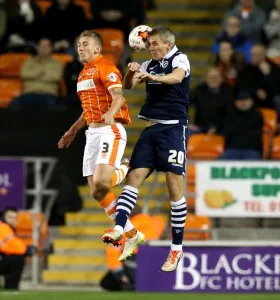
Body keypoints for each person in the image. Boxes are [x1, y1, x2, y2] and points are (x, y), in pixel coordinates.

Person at [102, 26, 190, 272]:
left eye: (154, 44)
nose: (150, 48)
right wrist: (132, 72)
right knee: (132, 179)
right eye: (148, 44)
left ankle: (176, 249)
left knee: (174, 189)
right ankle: (122, 229)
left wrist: (153, 77)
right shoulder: (149, 65)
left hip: (173, 129)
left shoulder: (179, 58)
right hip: (151, 129)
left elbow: (177, 78)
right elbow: (129, 86)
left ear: (167, 44)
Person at [58, 30, 140, 242]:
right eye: (78, 45)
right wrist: (73, 130)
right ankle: (132, 234)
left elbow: (119, 97)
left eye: (85, 44)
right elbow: (88, 110)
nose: (80, 48)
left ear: (98, 48)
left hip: (109, 130)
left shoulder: (106, 67)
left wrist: (111, 114)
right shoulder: (83, 74)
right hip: (91, 134)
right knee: (96, 192)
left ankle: (128, 166)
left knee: (103, 183)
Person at [0, 207, 36, 290]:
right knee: (17, 259)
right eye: (10, 217)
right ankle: (11, 289)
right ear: (4, 217)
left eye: (15, 218)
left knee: (7, 257)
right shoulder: (3, 228)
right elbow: (20, 249)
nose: (12, 220)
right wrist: (31, 249)